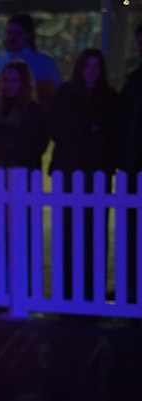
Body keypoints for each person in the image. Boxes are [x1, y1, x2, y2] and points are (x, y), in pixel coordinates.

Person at [50, 48, 120, 301]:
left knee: (94, 233)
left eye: (96, 67)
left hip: (96, 170)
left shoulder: (109, 97)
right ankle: (67, 289)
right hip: (70, 169)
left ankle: (91, 290)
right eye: (88, 66)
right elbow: (56, 127)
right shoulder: (67, 95)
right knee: (68, 233)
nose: (92, 71)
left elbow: (114, 133)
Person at [0, 59, 49, 171]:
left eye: (14, 80)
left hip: (24, 174)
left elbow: (37, 146)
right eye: (6, 80)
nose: (9, 85)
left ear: (24, 83)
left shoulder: (34, 111)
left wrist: (12, 161)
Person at [0, 13, 62, 109]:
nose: (12, 38)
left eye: (18, 33)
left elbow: (55, 96)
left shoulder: (45, 63)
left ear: (29, 35)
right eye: (9, 33)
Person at [120, 22, 142, 303]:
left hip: (134, 165)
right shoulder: (134, 80)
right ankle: (132, 285)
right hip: (133, 169)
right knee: (132, 234)